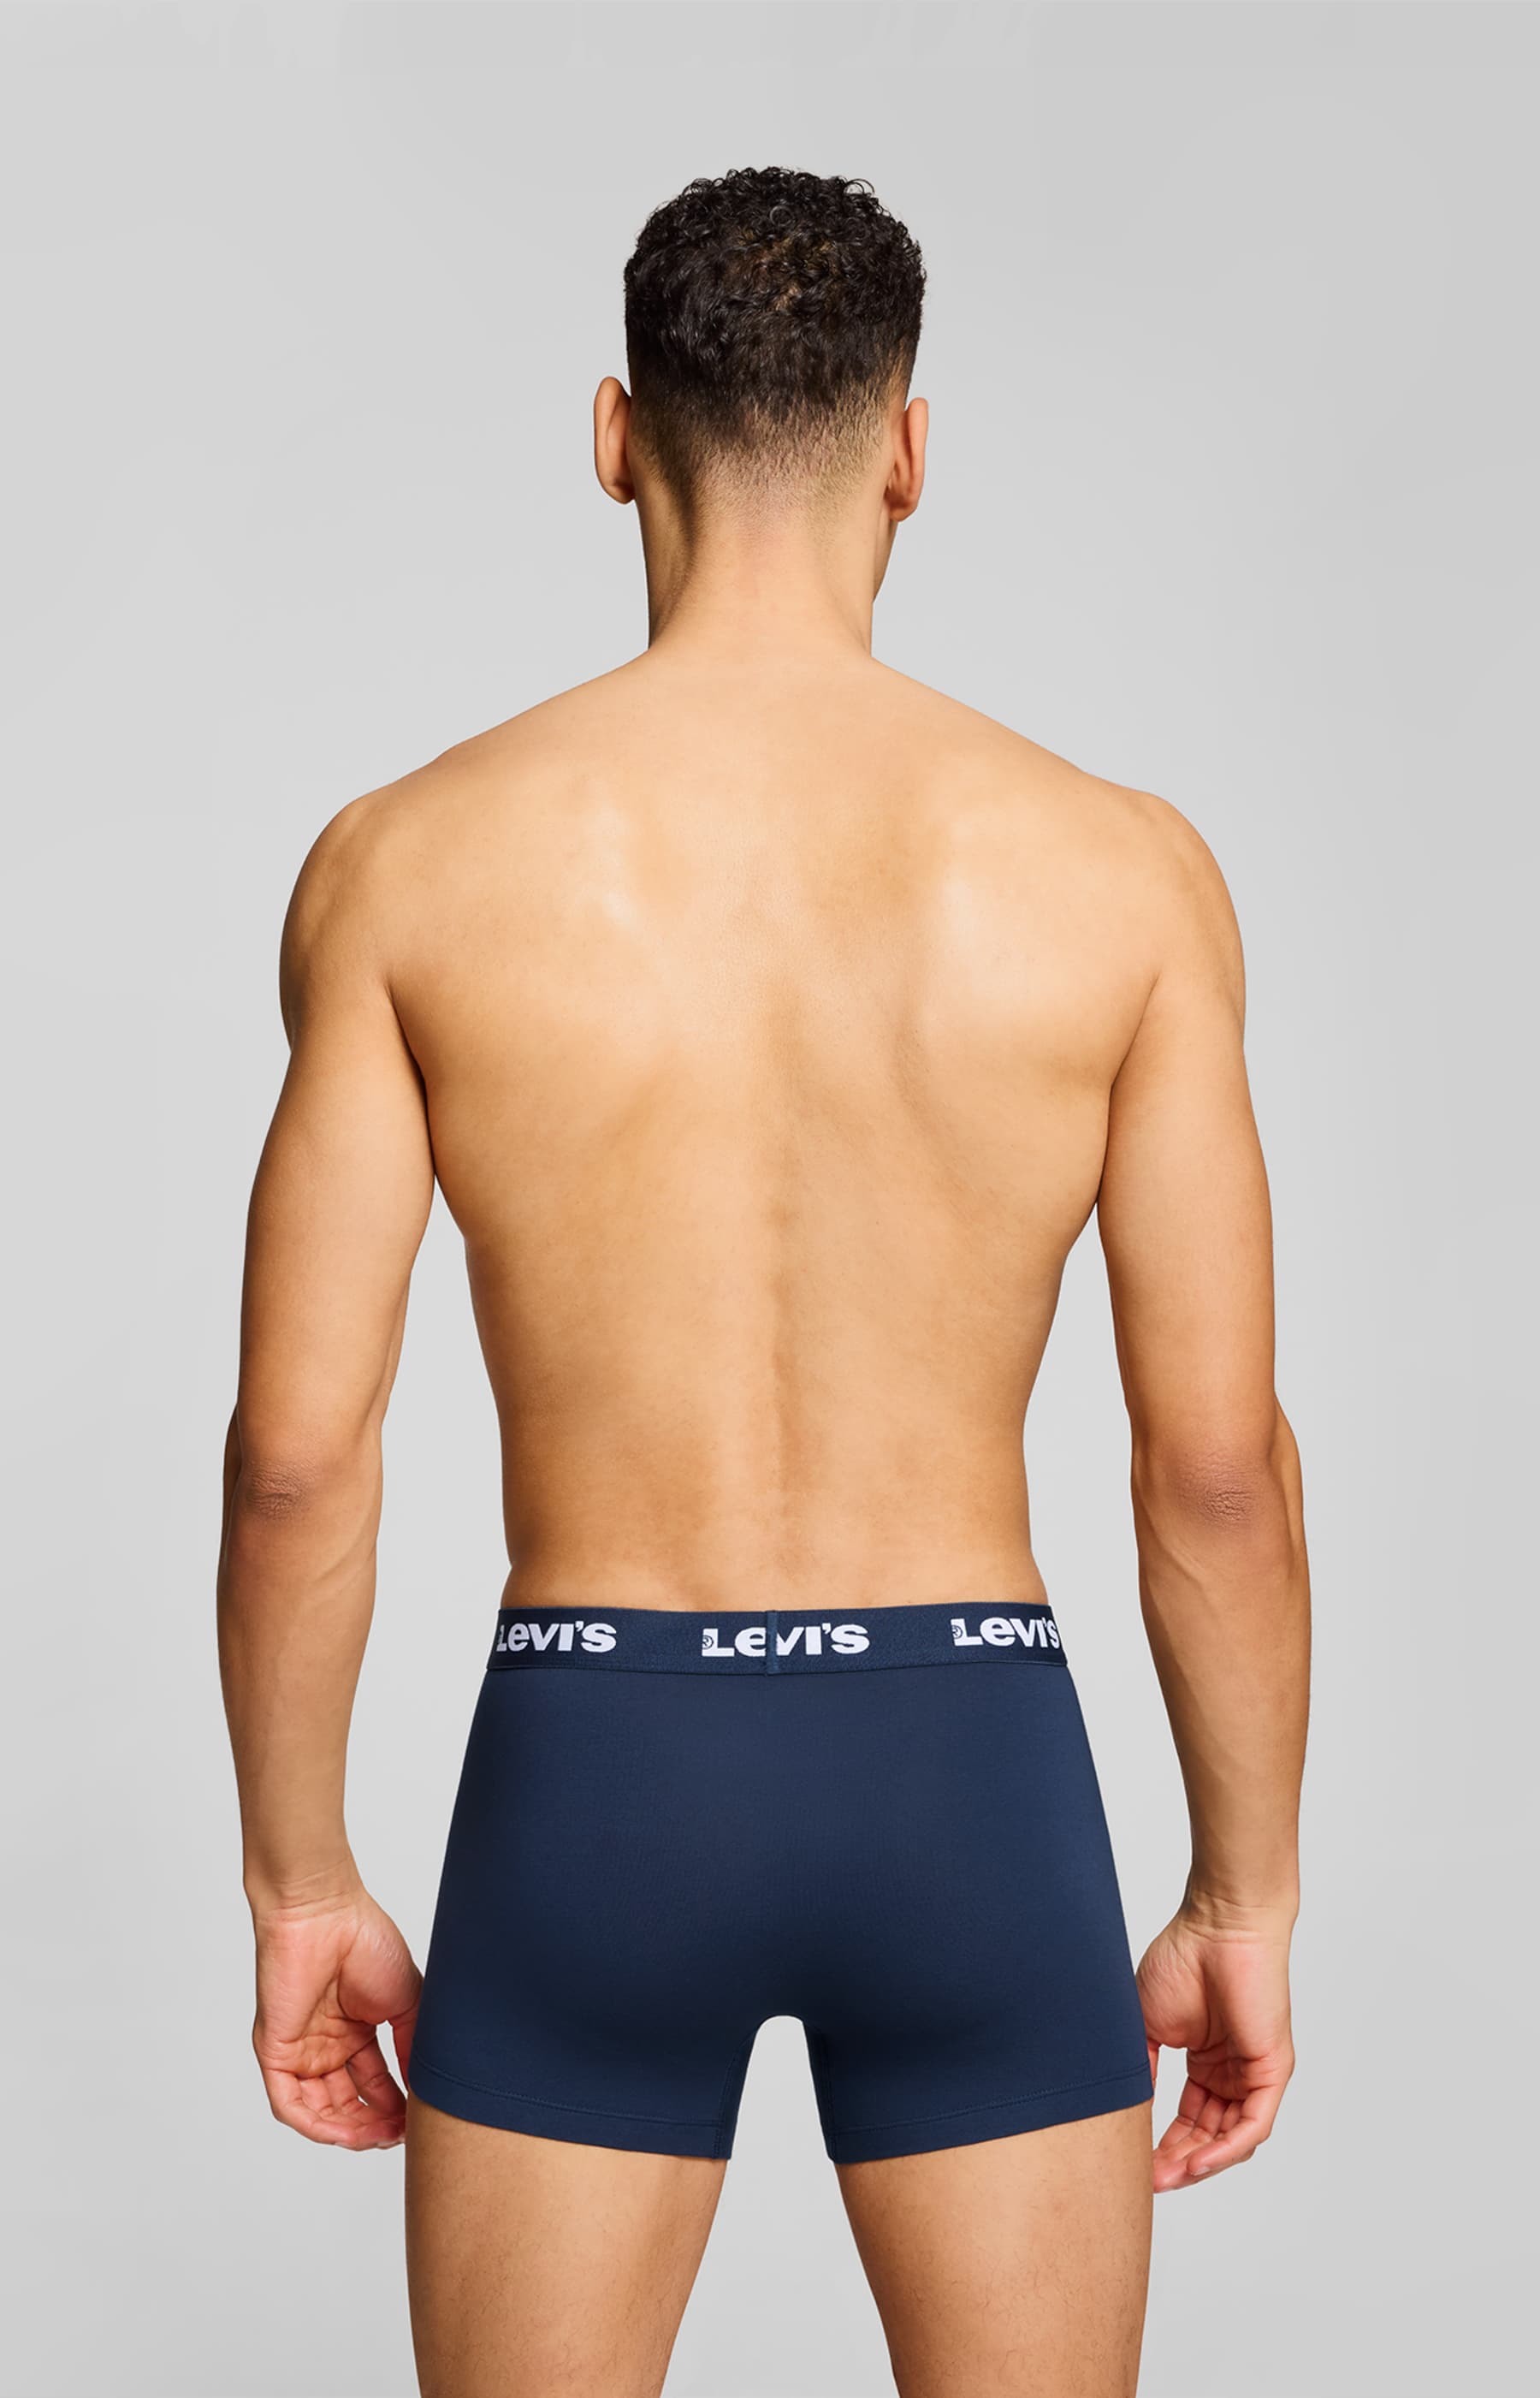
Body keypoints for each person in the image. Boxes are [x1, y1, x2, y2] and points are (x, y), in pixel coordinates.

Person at [217, 166, 1309, 2398]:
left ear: (616, 436)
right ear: (909, 447)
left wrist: (300, 1877)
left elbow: (297, 1455)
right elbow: (1215, 1468)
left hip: (597, 1764)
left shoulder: (409, 864)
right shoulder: (1121, 877)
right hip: (969, 1770)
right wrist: (1243, 1895)